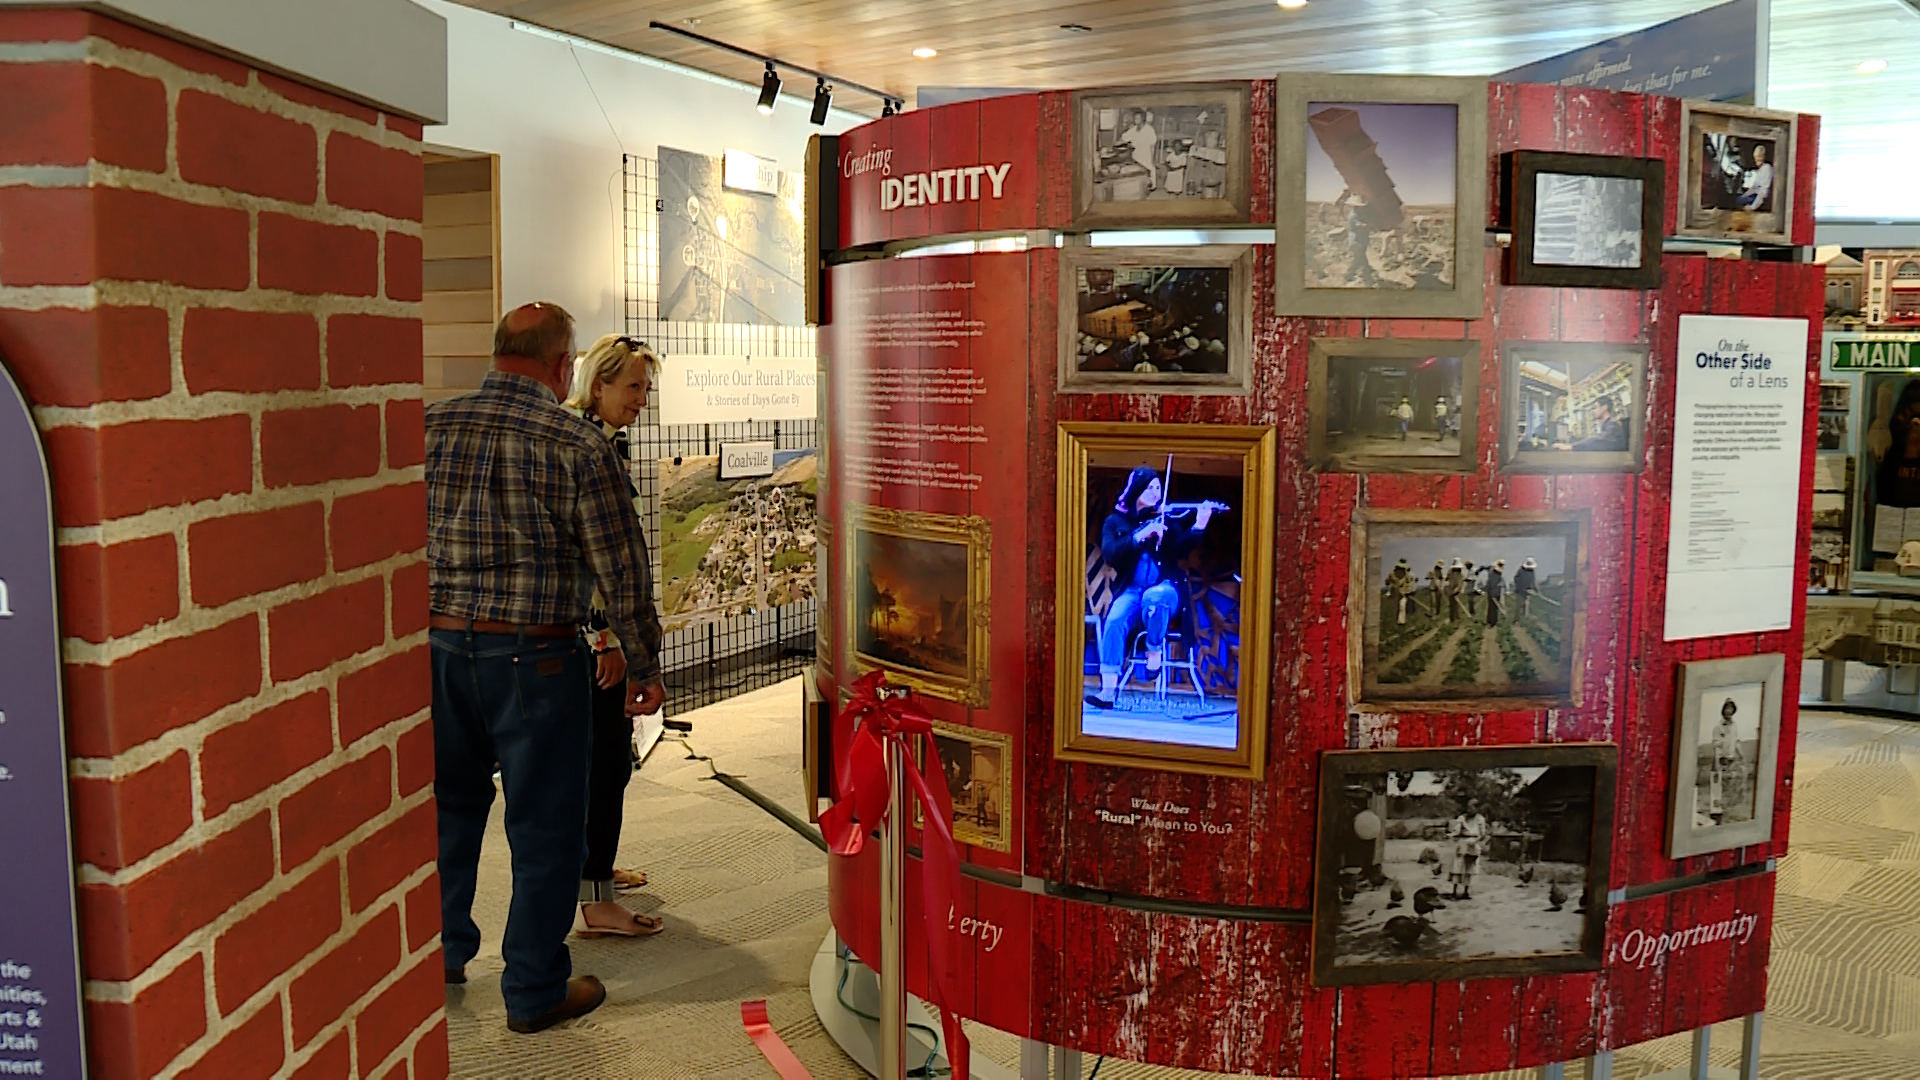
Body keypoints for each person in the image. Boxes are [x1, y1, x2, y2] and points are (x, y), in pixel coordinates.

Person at [427, 303, 667, 1035]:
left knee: (448, 811)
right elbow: (621, 569)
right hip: (535, 656)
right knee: (545, 827)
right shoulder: (575, 443)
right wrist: (645, 666)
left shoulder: (430, 425)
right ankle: (532, 989)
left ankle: (441, 955)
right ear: (564, 366)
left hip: (437, 649)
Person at [563, 334, 667, 940]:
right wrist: (603, 636)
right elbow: (587, 558)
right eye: (633, 387)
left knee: (603, 764)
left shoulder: (598, 442)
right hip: (590, 642)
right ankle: (595, 902)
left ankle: (592, 872)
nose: (642, 400)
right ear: (597, 384)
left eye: (645, 388)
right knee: (602, 767)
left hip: (589, 636)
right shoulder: (585, 449)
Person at [1086, 467, 1215, 710]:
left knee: (1155, 597)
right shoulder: (1115, 522)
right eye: (1150, 488)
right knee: (1114, 619)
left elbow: (1179, 550)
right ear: (1137, 490)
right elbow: (1111, 554)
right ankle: (1107, 692)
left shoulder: (1164, 519)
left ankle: (1154, 649)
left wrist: (1198, 526)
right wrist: (1140, 534)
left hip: (1166, 588)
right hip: (1132, 590)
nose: (1156, 493)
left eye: (1158, 488)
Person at [1447, 798, 1489, 900]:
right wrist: (1452, 834)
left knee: (1469, 868)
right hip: (1462, 843)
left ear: (1477, 808)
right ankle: (1454, 891)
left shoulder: (1480, 819)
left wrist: (1475, 840)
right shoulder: (1461, 818)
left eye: (1472, 807)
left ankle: (1466, 891)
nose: (1469, 809)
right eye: (1468, 807)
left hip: (1473, 844)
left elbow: (1483, 834)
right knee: (1457, 867)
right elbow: (1456, 831)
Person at [1709, 698, 1742, 823]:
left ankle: (1723, 809)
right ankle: (1715, 811)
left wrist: (1738, 755)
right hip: (1719, 759)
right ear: (1723, 710)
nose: (1728, 711)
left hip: (1730, 759)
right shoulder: (1718, 727)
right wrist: (1718, 760)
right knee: (1716, 785)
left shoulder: (1734, 726)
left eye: (1731, 709)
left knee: (1728, 784)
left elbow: (1735, 741)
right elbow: (1716, 744)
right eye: (1726, 709)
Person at [1735, 143, 1773, 211]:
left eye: (1759, 159)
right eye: (1756, 159)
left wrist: (1753, 207)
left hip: (1759, 199)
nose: (1756, 161)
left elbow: (1763, 191)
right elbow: (1754, 188)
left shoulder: (1767, 168)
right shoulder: (1760, 170)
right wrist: (1743, 196)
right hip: (1754, 196)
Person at [1385, 558, 1416, 626]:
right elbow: (1387, 581)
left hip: (1403, 593)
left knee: (1402, 605)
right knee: (1396, 607)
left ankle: (1401, 622)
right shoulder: (1392, 574)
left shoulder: (1406, 575)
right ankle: (1396, 621)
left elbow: (1408, 583)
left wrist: (1407, 591)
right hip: (1395, 592)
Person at [1482, 559, 1507, 627]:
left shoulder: (1499, 575)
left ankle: (1493, 621)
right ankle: (1490, 620)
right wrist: (1488, 589)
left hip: (1497, 591)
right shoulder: (1491, 573)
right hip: (1491, 591)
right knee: (1491, 607)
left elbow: (1501, 584)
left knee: (1495, 607)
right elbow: (1489, 582)